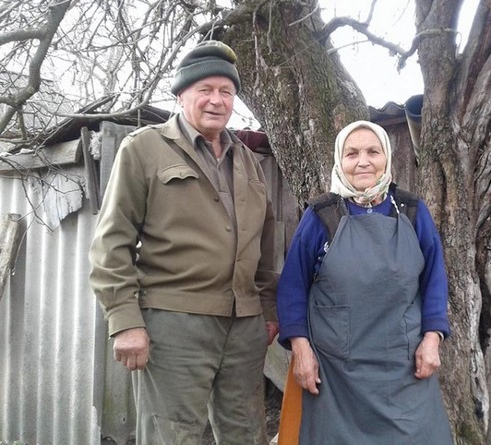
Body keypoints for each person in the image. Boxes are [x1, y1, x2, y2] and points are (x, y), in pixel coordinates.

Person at [89, 40, 279, 445]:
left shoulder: (247, 159)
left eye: (226, 91)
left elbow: (264, 240)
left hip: (244, 326)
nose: (217, 100)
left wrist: (266, 308)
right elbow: (112, 241)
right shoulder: (145, 148)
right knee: (172, 435)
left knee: (247, 435)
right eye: (205, 90)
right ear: (180, 95)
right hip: (174, 323)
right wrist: (125, 320)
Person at [277, 120, 453, 443]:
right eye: (352, 153)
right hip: (335, 371)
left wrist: (433, 338)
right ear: (339, 161)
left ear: (386, 157)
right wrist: (300, 349)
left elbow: (435, 280)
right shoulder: (322, 215)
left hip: (404, 365)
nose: (363, 162)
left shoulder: (412, 212)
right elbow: (292, 287)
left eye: (373, 152)